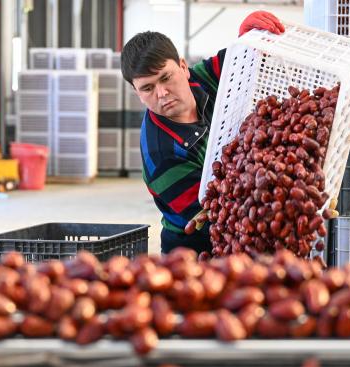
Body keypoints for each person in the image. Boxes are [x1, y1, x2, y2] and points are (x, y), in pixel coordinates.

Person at [121, 11, 285, 255]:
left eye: (166, 78)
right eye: (148, 88)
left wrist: (248, 38)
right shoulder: (161, 155)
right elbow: (214, 216)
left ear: (184, 68)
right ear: (138, 94)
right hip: (195, 248)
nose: (162, 93)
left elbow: (237, 61)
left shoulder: (200, 79)